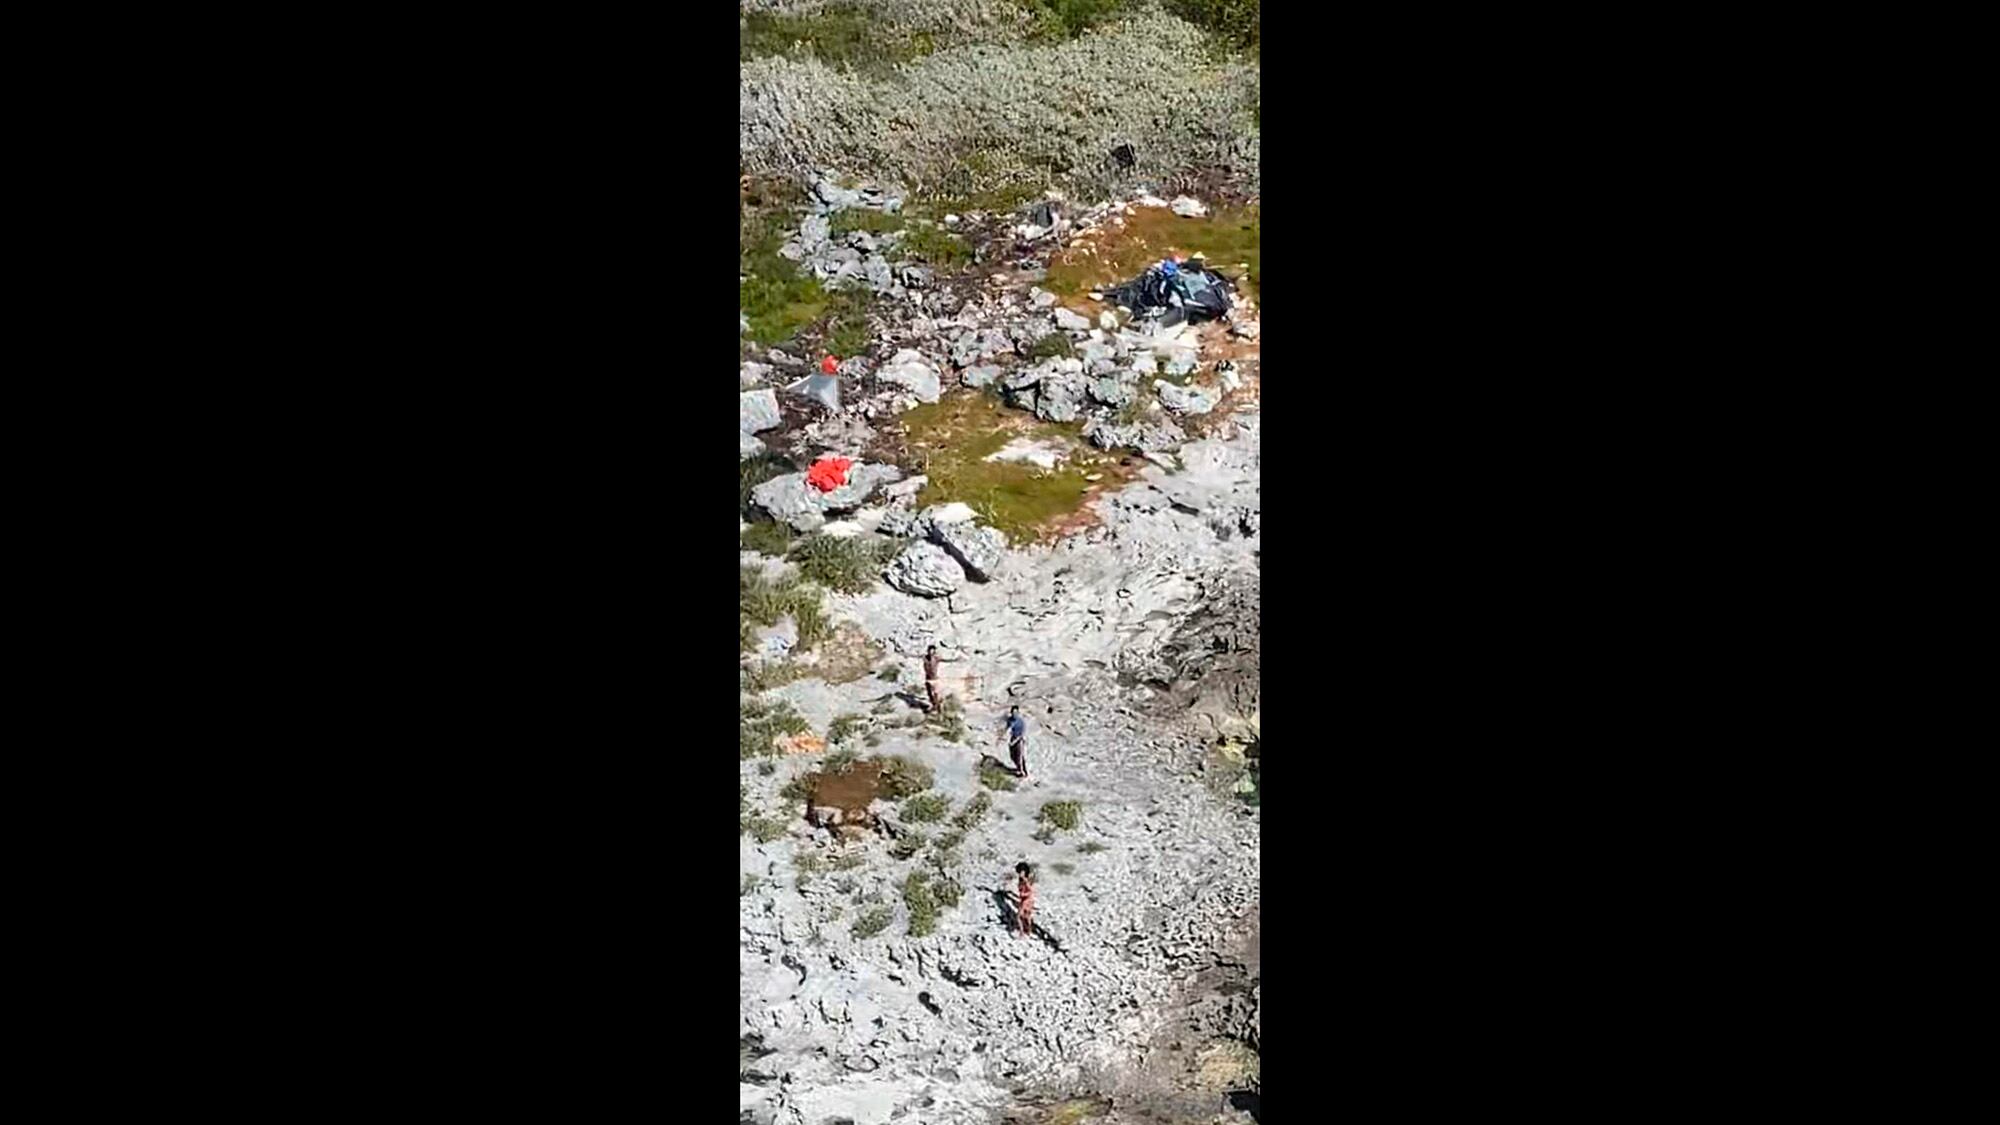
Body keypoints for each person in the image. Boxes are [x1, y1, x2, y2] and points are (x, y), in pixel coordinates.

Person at [1000, 704, 1029, 779]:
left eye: (1016, 713)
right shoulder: (1010, 720)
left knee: (1019, 757)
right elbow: (1007, 728)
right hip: (1013, 738)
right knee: (1012, 756)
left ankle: (1023, 773)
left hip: (1019, 739)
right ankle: (1018, 768)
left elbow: (1022, 733)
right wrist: (1001, 736)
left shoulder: (1021, 722)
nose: (1014, 714)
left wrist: (1015, 741)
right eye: (1013, 713)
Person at [1015, 862, 1037, 937]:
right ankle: (1028, 931)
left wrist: (1023, 895)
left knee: (1019, 916)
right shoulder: (1022, 880)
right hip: (1026, 899)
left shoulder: (1025, 880)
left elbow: (1030, 891)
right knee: (1026, 916)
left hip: (1027, 899)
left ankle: (1022, 932)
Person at [923, 644, 942, 713]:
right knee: (929, 694)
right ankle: (934, 706)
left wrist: (956, 660)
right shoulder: (925, 658)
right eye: (929, 651)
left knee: (935, 694)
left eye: (932, 652)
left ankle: (938, 708)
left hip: (935, 679)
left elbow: (945, 660)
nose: (931, 653)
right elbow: (915, 656)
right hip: (928, 679)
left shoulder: (936, 658)